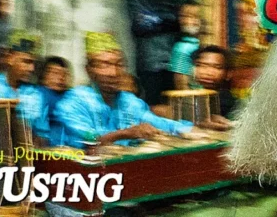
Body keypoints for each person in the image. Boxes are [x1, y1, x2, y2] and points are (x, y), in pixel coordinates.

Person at [55, 32, 192, 148]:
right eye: (104, 65)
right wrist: (125, 133)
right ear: (88, 70)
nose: (113, 72)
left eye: (119, 64)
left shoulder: (129, 101)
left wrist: (188, 129)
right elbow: (89, 140)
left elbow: (158, 122)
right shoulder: (72, 103)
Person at [124, 0, 190, 105]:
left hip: (176, 61)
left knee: (179, 105)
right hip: (150, 64)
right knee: (154, 105)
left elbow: (187, 16)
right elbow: (142, 26)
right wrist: (171, 18)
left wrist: (159, 17)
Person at [189, 45, 236, 130]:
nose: (208, 72)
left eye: (217, 67)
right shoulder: (194, 96)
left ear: (228, 73)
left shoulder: (226, 101)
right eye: (201, 65)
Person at [36, 56, 72, 146]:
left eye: (64, 74)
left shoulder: (70, 95)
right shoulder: (40, 95)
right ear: (43, 75)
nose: (61, 77)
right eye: (55, 73)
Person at [168, 1, 201, 90]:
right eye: (184, 16)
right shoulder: (182, 48)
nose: (187, 21)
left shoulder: (200, 44)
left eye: (196, 17)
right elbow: (181, 86)